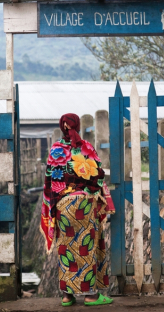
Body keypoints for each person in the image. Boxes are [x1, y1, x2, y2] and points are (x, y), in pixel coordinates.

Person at [40, 113, 115, 307]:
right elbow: (99, 175)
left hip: (63, 205)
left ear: (61, 127)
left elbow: (50, 181)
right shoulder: (86, 148)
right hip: (84, 205)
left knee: (66, 249)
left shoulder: (55, 150)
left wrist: (53, 204)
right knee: (86, 246)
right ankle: (90, 295)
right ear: (79, 127)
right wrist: (89, 191)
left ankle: (67, 295)